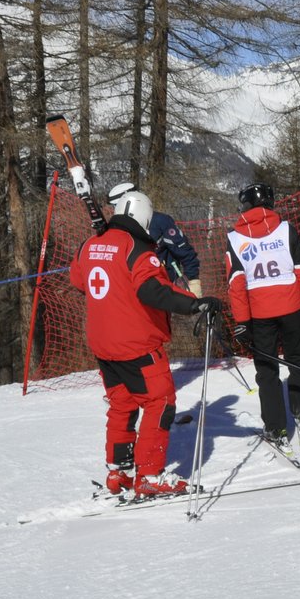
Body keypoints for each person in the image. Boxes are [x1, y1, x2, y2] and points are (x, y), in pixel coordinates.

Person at [71, 187, 222, 499]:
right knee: (160, 403)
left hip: (103, 345)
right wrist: (195, 303)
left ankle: (119, 472)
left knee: (122, 405)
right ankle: (150, 475)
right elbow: (154, 291)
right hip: (136, 343)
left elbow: (78, 279)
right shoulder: (139, 250)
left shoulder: (89, 244)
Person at [223, 182, 300, 451]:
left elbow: (236, 283)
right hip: (292, 308)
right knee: (297, 361)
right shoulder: (287, 229)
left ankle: (276, 426)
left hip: (259, 314)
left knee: (267, 370)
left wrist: (242, 322)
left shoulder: (234, 237)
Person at [106, 182, 202, 292]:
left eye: (117, 206)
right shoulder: (114, 227)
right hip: (129, 287)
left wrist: (193, 279)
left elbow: (184, 251)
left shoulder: (159, 222)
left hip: (162, 287)